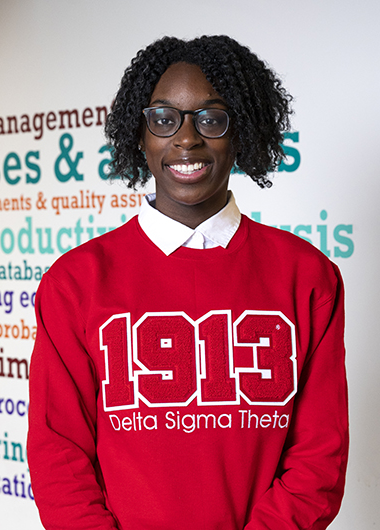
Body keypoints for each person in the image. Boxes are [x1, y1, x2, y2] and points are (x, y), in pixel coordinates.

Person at [27, 35, 348, 530]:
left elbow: (319, 457)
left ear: (242, 131)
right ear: (140, 134)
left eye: (211, 119)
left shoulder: (308, 276)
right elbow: (59, 452)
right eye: (164, 119)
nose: (186, 139)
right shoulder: (75, 283)